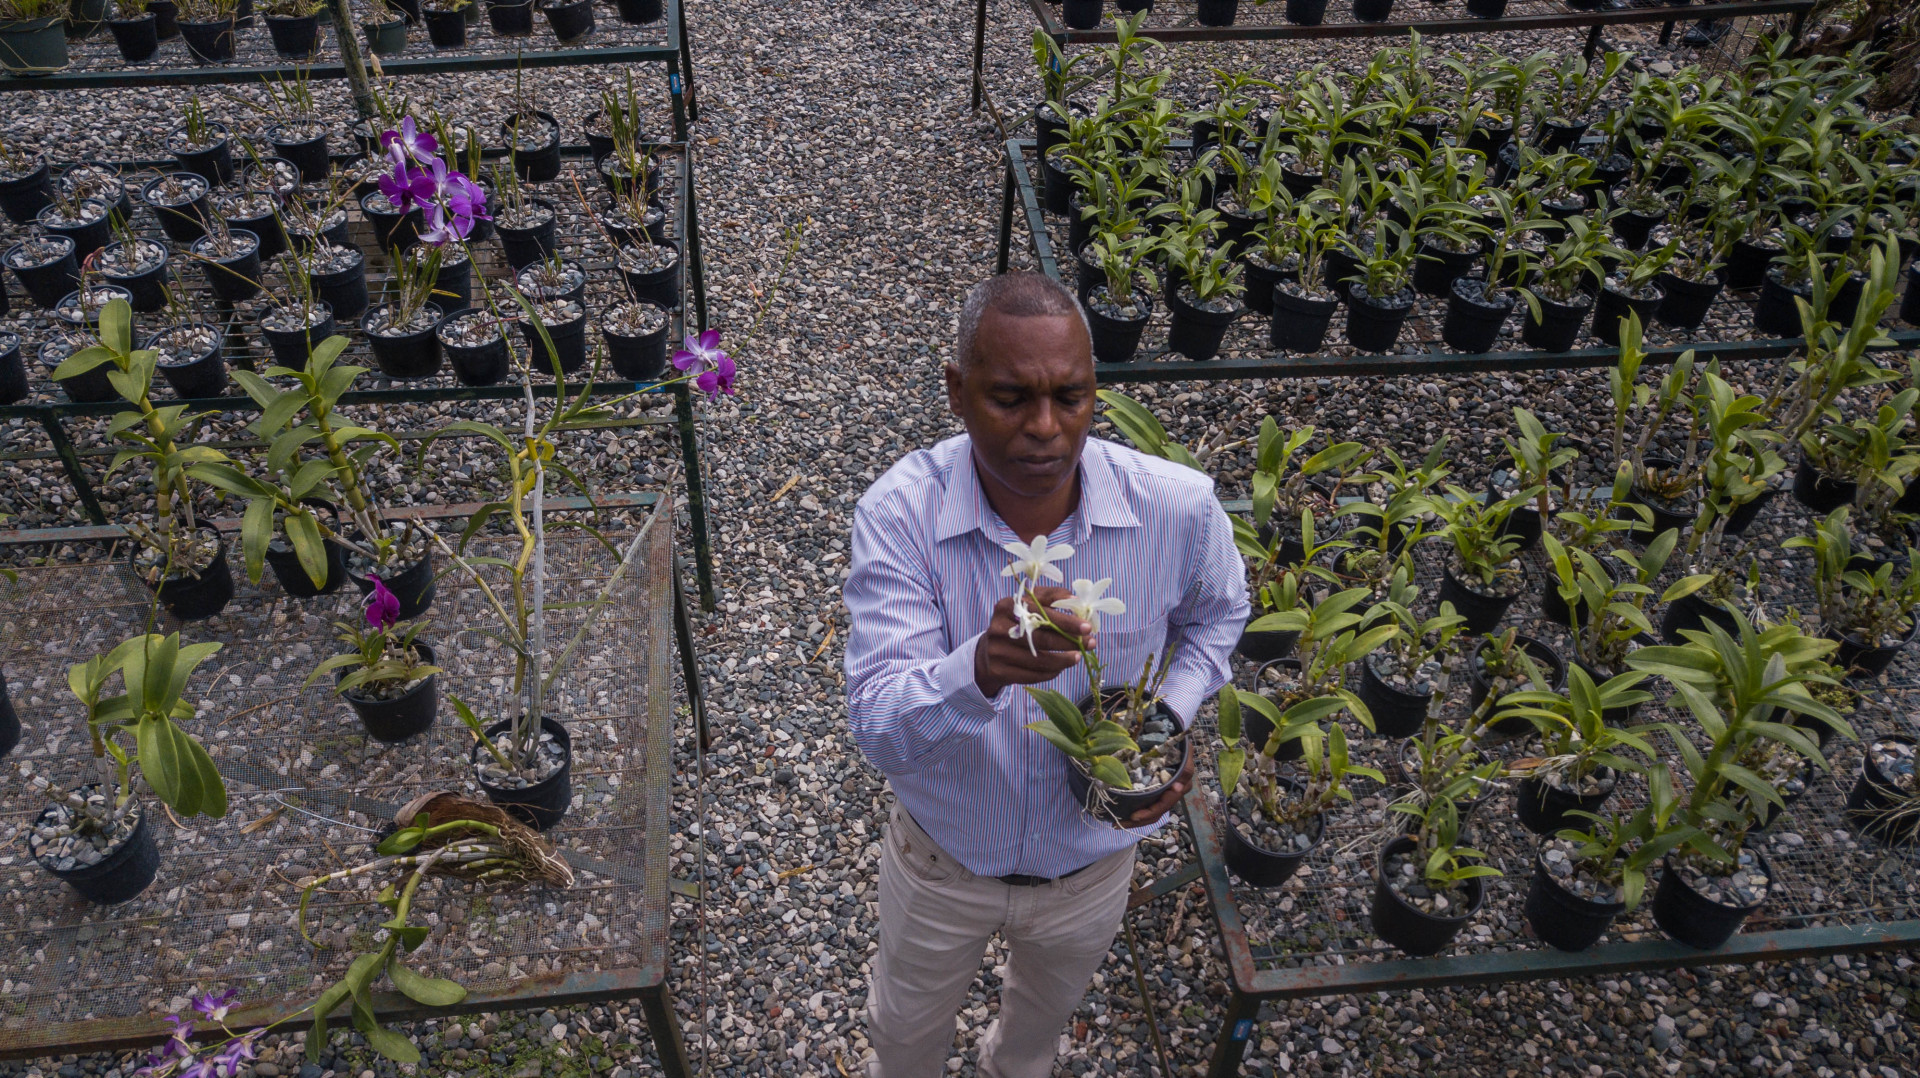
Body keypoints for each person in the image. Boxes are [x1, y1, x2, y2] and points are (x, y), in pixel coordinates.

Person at [842, 272, 1248, 1078]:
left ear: (1098, 391)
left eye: (1071, 397)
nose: (1045, 429)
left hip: (1090, 864)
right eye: (1010, 398)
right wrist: (979, 670)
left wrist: (1163, 720)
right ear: (956, 392)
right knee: (904, 1030)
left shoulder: (1177, 509)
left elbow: (1218, 616)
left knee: (1039, 1029)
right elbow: (880, 728)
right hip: (943, 862)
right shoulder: (900, 517)